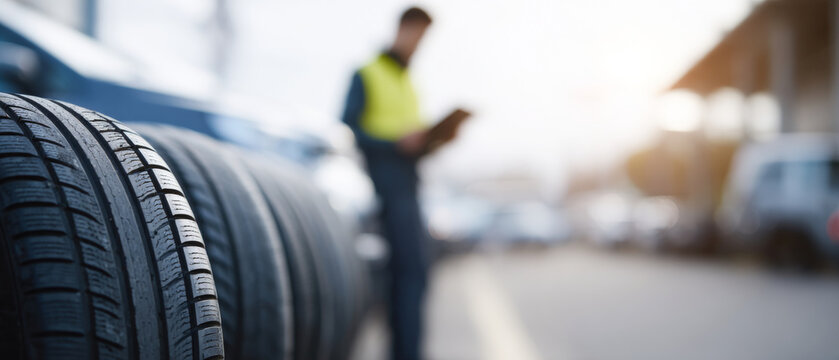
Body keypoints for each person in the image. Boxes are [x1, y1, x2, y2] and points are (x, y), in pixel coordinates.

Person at [341, 6, 434, 360]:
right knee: (409, 274)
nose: (418, 45)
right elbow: (350, 127)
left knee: (409, 276)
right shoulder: (367, 73)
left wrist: (431, 141)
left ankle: (405, 351)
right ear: (403, 29)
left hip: (410, 185)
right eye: (417, 35)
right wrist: (394, 144)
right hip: (384, 187)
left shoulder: (409, 82)